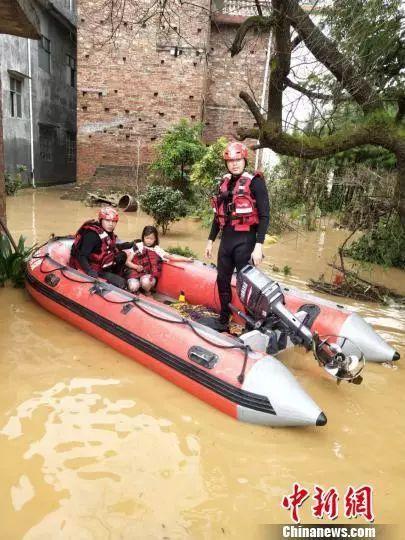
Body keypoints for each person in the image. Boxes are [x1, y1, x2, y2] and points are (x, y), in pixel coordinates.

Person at [205, 141, 270, 331]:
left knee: (247, 285)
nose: (234, 164)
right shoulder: (224, 184)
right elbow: (218, 216)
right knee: (222, 280)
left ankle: (251, 326)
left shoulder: (255, 182)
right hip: (227, 241)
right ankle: (223, 320)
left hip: (246, 241)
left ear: (244, 160)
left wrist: (259, 245)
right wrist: (210, 240)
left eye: (238, 159)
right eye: (230, 160)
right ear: (226, 163)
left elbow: (265, 215)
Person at [70, 206, 133, 289]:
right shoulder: (92, 235)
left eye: (114, 221)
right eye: (107, 220)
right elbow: (81, 255)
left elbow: (110, 247)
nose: (111, 224)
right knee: (122, 283)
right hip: (94, 268)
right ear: (101, 220)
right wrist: (89, 271)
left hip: (103, 265)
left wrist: (126, 245)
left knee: (122, 255)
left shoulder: (108, 232)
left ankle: (116, 275)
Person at [126, 225, 193, 294]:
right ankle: (136, 291)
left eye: (151, 239)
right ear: (143, 237)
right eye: (147, 238)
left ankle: (147, 292)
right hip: (135, 273)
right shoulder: (138, 246)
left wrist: (186, 259)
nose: (149, 241)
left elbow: (171, 257)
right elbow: (128, 262)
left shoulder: (157, 249)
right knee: (133, 286)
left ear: (155, 239)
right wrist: (136, 267)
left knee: (146, 282)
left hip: (147, 275)